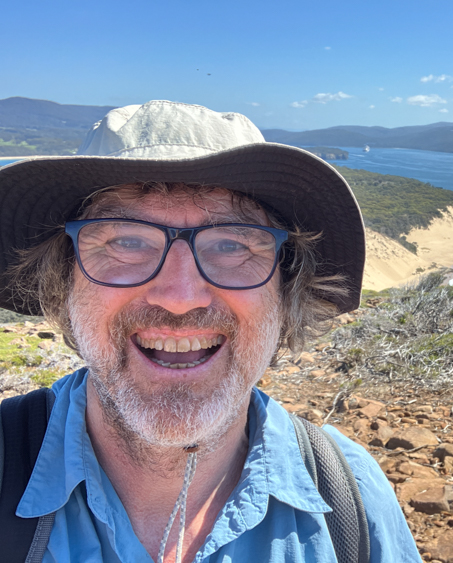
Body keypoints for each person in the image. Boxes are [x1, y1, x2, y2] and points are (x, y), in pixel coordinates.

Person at [0, 101, 421, 562]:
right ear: (63, 282)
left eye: (231, 244)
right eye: (125, 241)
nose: (180, 296)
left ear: (286, 294)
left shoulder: (350, 499)